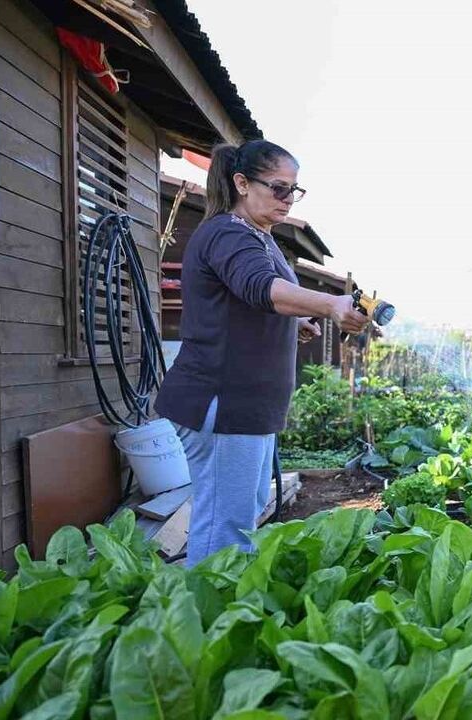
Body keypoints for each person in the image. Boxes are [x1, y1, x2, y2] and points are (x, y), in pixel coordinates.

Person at [154, 140, 370, 566]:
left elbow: (251, 302)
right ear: (241, 183)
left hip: (249, 409)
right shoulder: (226, 234)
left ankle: (220, 613)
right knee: (224, 529)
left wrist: (295, 321)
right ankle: (207, 624)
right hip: (223, 403)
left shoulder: (262, 237)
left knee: (238, 516)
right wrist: (329, 304)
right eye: (278, 188)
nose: (287, 200)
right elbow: (258, 286)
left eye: (294, 190)